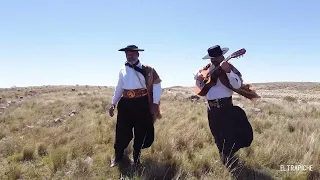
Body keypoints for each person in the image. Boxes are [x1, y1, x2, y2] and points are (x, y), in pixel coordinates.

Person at [194, 45, 260, 171]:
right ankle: (225, 158)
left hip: (225, 107)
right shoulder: (206, 69)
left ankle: (230, 159)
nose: (213, 60)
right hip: (211, 109)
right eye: (212, 58)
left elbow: (237, 84)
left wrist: (228, 71)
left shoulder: (228, 67)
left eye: (216, 57)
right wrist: (199, 77)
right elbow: (196, 77)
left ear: (222, 56)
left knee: (228, 134)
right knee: (217, 135)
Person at [108, 45, 162, 167]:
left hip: (142, 103)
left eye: (132, 54)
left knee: (141, 131)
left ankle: (136, 159)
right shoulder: (122, 70)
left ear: (138, 55)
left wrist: (155, 103)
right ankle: (118, 158)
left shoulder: (148, 69)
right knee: (121, 131)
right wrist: (113, 103)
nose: (130, 56)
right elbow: (119, 88)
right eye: (127, 54)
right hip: (125, 104)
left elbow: (157, 85)